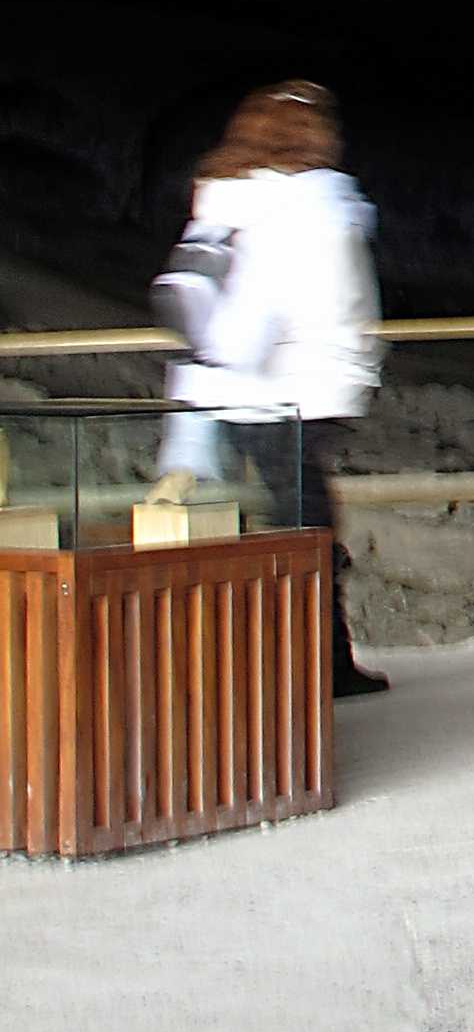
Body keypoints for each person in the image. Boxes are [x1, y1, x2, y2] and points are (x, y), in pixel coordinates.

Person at [157, 79, 390, 697]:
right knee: (307, 532)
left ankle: (312, 663)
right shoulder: (307, 206)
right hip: (289, 390)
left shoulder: (228, 199)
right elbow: (315, 299)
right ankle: (312, 669)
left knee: (295, 525)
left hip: (230, 393)